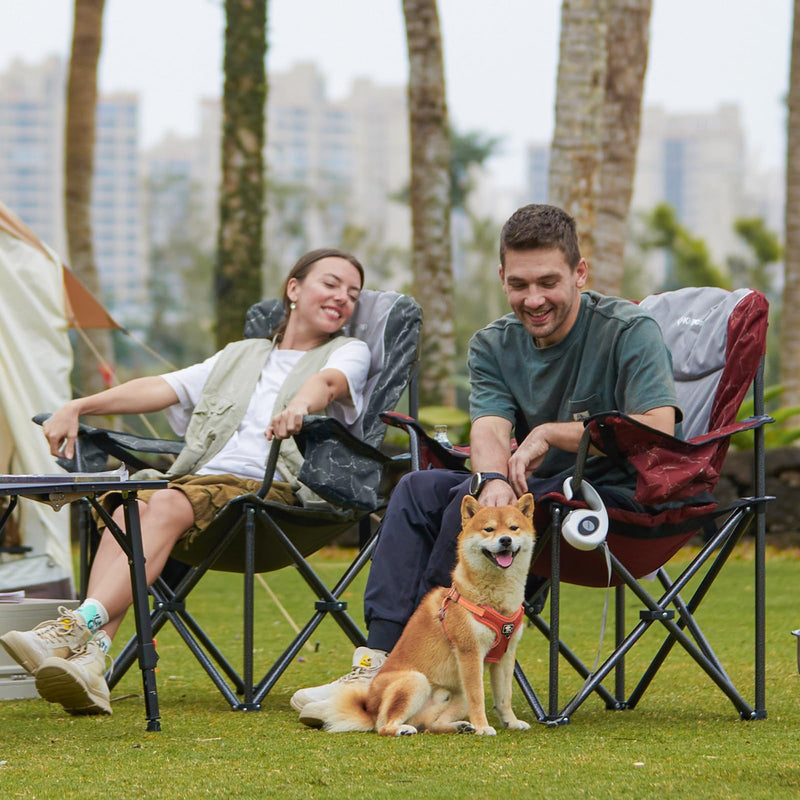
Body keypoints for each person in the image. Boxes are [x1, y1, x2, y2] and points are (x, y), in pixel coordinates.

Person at [291, 204, 682, 721]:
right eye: (519, 284)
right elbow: (490, 425)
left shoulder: (628, 330)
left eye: (549, 282)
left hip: (607, 502)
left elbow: (658, 427)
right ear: (502, 277)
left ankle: (434, 681)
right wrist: (493, 478)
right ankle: (379, 664)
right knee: (417, 488)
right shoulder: (493, 342)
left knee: (459, 503)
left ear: (580, 273)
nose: (534, 299)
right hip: (531, 491)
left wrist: (550, 433)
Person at [0, 248, 371, 716]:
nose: (342, 298)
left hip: (269, 495)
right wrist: (77, 405)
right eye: (331, 284)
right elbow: (161, 386)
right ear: (294, 289)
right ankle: (92, 661)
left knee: (170, 503)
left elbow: (330, 383)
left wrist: (299, 405)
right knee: (126, 509)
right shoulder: (240, 355)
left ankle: (79, 624)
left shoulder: (348, 349)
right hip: (201, 484)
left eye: (353, 293)